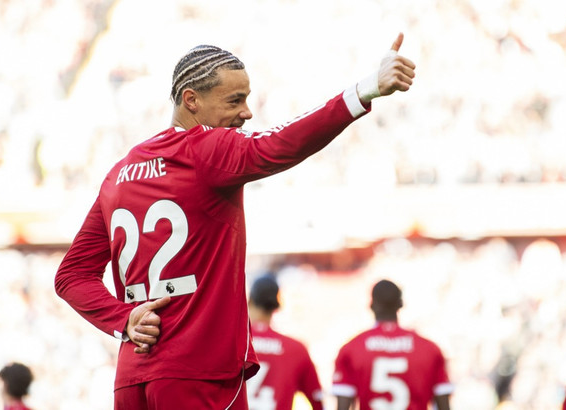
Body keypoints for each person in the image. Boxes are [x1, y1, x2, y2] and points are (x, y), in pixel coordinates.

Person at [55, 34, 416, 410]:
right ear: (191, 100)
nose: (246, 113)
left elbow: (71, 276)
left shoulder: (119, 173)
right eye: (234, 100)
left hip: (132, 379)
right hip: (198, 373)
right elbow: (279, 143)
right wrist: (366, 90)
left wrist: (124, 318)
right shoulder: (205, 149)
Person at [331, 279, 453, 410]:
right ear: (400, 304)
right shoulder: (429, 349)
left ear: (372, 305)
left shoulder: (352, 349)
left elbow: (343, 406)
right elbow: (444, 405)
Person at [247, 274, 324, 410]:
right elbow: (318, 401)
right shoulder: (296, 349)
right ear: (276, 306)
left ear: (250, 301)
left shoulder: (233, 344)